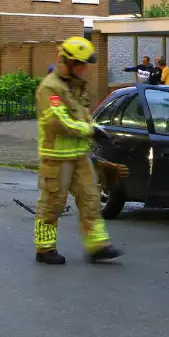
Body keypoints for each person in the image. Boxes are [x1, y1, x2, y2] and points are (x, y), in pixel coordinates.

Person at [33, 36, 127, 265]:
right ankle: (45, 248)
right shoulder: (50, 88)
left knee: (91, 199)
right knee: (52, 203)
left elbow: (83, 117)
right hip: (57, 157)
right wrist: (90, 131)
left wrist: (96, 129)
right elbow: (60, 122)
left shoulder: (76, 86)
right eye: (81, 64)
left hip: (79, 156)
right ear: (67, 62)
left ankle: (97, 246)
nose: (86, 69)